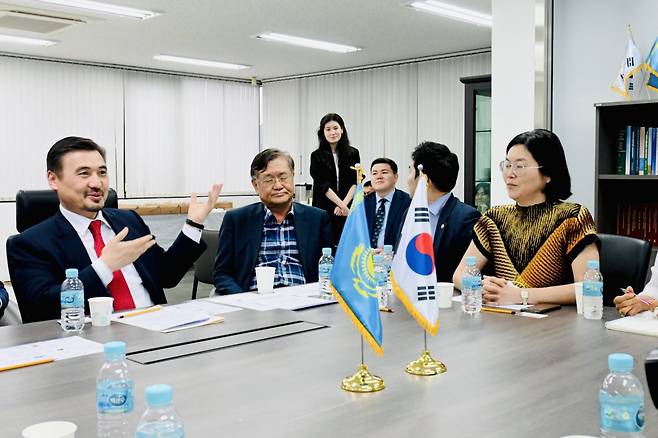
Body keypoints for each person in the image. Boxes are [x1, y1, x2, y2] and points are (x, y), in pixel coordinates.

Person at [8, 136, 221, 323]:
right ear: (53, 179)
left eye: (102, 172)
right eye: (84, 173)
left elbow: (167, 275)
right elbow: (40, 311)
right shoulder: (29, 244)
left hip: (156, 331)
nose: (96, 183)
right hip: (92, 345)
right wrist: (104, 267)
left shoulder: (128, 221)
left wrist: (193, 224)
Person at [453, 129, 599, 305]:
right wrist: (481, 286)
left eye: (519, 166)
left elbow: (588, 287)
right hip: (503, 320)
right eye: (507, 165)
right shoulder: (494, 218)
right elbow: (460, 274)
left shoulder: (573, 218)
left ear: (547, 174)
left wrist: (521, 295)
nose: (510, 174)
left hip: (555, 325)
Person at [214, 148, 332, 294]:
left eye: (283, 177)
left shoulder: (318, 219)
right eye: (269, 179)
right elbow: (222, 273)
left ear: (292, 177)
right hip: (254, 304)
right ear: (256, 185)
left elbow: (330, 268)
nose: (278, 185)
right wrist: (243, 300)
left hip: (304, 301)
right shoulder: (236, 220)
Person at [407, 142, 480, 282]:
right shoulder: (409, 213)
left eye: (411, 171)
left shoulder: (466, 218)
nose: (409, 179)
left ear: (424, 179)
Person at [310, 113, 360, 244]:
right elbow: (323, 186)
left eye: (336, 128)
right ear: (323, 132)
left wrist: (345, 206)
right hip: (325, 207)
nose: (332, 132)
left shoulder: (353, 153)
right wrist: (342, 205)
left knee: (347, 245)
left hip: (347, 208)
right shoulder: (316, 156)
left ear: (342, 129)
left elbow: (354, 182)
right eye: (328, 129)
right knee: (326, 245)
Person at [364, 158, 411, 250]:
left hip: (395, 258)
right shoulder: (362, 204)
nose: (379, 176)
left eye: (384, 172)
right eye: (374, 173)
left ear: (395, 177)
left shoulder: (408, 202)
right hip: (366, 259)